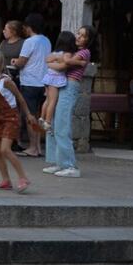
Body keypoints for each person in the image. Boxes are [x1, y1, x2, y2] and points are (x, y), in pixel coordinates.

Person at [0, 50, 37, 192]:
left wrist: (28, 115)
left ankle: (23, 177)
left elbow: (20, 97)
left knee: (5, 149)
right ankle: (6, 179)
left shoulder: (5, 81)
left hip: (11, 117)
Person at [43, 25, 94, 179]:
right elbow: (53, 60)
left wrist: (58, 58)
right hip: (62, 85)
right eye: (78, 34)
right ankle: (56, 161)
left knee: (62, 125)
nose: (78, 37)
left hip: (70, 86)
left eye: (83, 36)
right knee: (53, 124)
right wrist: (60, 59)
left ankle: (70, 165)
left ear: (88, 40)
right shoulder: (73, 51)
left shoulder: (84, 52)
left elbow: (66, 63)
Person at [14, 13, 50, 157]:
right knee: (38, 115)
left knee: (29, 115)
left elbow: (22, 62)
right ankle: (39, 147)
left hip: (29, 81)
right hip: (43, 81)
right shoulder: (46, 40)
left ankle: (33, 147)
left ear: (29, 27)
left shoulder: (29, 42)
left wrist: (14, 62)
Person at [39, 33, 73, 134]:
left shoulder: (54, 52)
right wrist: (59, 63)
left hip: (48, 78)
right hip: (55, 79)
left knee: (47, 100)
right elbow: (63, 66)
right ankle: (48, 122)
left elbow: (47, 60)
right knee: (53, 101)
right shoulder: (67, 54)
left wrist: (51, 64)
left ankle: (42, 117)